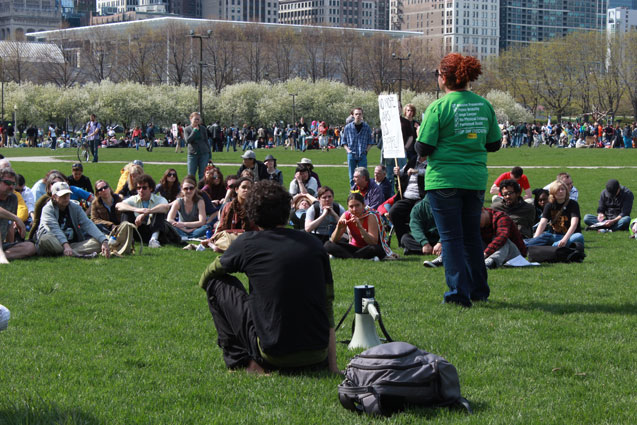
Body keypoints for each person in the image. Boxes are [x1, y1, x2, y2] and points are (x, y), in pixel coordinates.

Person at [198, 181, 337, 374]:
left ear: (253, 214)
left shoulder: (247, 243)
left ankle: (244, 361)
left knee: (216, 284)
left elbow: (207, 276)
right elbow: (328, 304)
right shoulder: (314, 244)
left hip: (274, 351)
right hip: (317, 352)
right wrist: (333, 366)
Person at [415, 53, 501, 307]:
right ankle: (478, 289)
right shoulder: (483, 105)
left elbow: (423, 148)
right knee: (472, 237)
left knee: (451, 239)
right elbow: (494, 143)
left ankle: (457, 294)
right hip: (474, 179)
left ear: (443, 78)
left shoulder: (438, 107)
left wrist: (421, 133)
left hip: (444, 180)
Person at [36, 182, 110, 258]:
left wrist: (103, 241)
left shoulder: (75, 207)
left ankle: (68, 253)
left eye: (67, 195)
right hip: (55, 242)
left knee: (103, 240)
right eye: (62, 195)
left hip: (73, 244)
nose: (66, 198)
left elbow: (88, 224)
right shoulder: (47, 209)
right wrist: (65, 245)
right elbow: (54, 229)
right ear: (54, 196)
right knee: (45, 239)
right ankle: (74, 253)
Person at [324, 192, 386, 260]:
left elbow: (373, 242)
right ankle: (358, 257)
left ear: (363, 205)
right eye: (351, 206)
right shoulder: (346, 215)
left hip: (368, 247)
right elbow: (333, 240)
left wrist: (360, 228)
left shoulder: (370, 216)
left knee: (375, 249)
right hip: (354, 247)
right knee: (328, 245)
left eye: (357, 205)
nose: (354, 209)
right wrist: (338, 228)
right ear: (348, 207)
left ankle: (346, 256)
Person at [116, 174, 171, 248]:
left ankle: (153, 240)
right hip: (138, 229)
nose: (141, 190)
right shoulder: (133, 199)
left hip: (154, 230)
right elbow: (118, 205)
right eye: (138, 188)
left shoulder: (159, 199)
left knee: (158, 211)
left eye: (144, 188)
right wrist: (137, 210)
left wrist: (148, 212)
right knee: (126, 211)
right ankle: (127, 239)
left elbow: (165, 207)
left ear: (151, 189)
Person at [525, 180, 584, 247]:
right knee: (545, 236)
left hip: (570, 235)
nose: (561, 191)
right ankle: (525, 245)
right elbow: (542, 223)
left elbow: (574, 224)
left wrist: (564, 239)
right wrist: (535, 239)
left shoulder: (573, 204)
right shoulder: (549, 205)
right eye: (558, 190)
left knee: (578, 236)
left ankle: (554, 246)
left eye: (563, 189)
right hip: (555, 236)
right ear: (553, 192)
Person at [389, 155, 427, 249]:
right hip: (406, 197)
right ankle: (402, 242)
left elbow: (432, 172)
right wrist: (398, 172)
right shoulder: (413, 160)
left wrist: (417, 171)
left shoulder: (432, 161)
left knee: (416, 212)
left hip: (421, 198)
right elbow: (402, 172)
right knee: (394, 212)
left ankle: (418, 242)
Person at [0, 167, 37, 264]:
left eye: (13, 184)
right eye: (7, 183)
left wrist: (10, 244)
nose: (11, 187)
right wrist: (16, 218)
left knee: (30, 247)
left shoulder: (13, 198)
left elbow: (9, 225)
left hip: (1, 244)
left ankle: (4, 255)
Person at [167, 175, 209, 240]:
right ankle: (189, 237)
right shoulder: (178, 202)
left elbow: (202, 222)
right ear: (182, 190)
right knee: (170, 226)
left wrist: (184, 224)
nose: (189, 191)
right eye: (186, 188)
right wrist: (184, 228)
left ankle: (185, 237)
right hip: (181, 229)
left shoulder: (200, 201)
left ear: (195, 189)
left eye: (191, 188)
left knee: (206, 228)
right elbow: (169, 219)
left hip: (195, 229)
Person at [342, 107, 373, 185]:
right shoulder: (348, 127)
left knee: (364, 176)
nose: (358, 116)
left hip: (362, 154)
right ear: (353, 115)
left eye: (360, 114)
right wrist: (348, 151)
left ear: (362, 115)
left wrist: (366, 151)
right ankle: (353, 193)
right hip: (351, 154)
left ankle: (364, 193)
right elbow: (343, 142)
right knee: (352, 176)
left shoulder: (366, 127)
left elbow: (371, 141)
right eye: (356, 114)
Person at [184, 113, 210, 180]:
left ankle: (201, 189)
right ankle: (191, 188)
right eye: (195, 119)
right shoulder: (187, 129)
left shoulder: (203, 129)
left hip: (204, 153)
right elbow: (187, 140)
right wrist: (194, 131)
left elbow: (206, 141)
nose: (197, 121)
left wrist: (209, 154)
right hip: (192, 154)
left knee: (202, 174)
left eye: (198, 119)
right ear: (190, 119)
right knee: (191, 174)